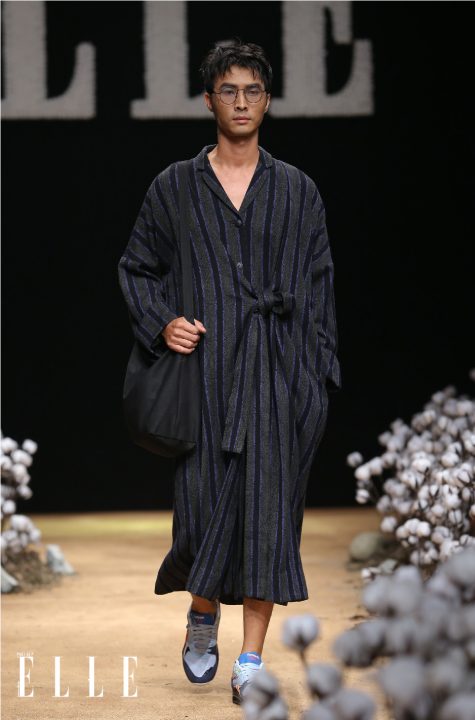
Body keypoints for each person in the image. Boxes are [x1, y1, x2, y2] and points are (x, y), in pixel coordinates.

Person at [118, 38, 342, 705]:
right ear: (208, 100)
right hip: (206, 376)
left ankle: (250, 659)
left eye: (252, 91)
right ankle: (201, 609)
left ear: (267, 102)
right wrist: (163, 321)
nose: (240, 102)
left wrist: (315, 375)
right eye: (228, 91)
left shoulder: (297, 189)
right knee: (197, 512)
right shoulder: (175, 185)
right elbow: (136, 267)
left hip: (279, 375)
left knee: (271, 516)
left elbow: (320, 285)